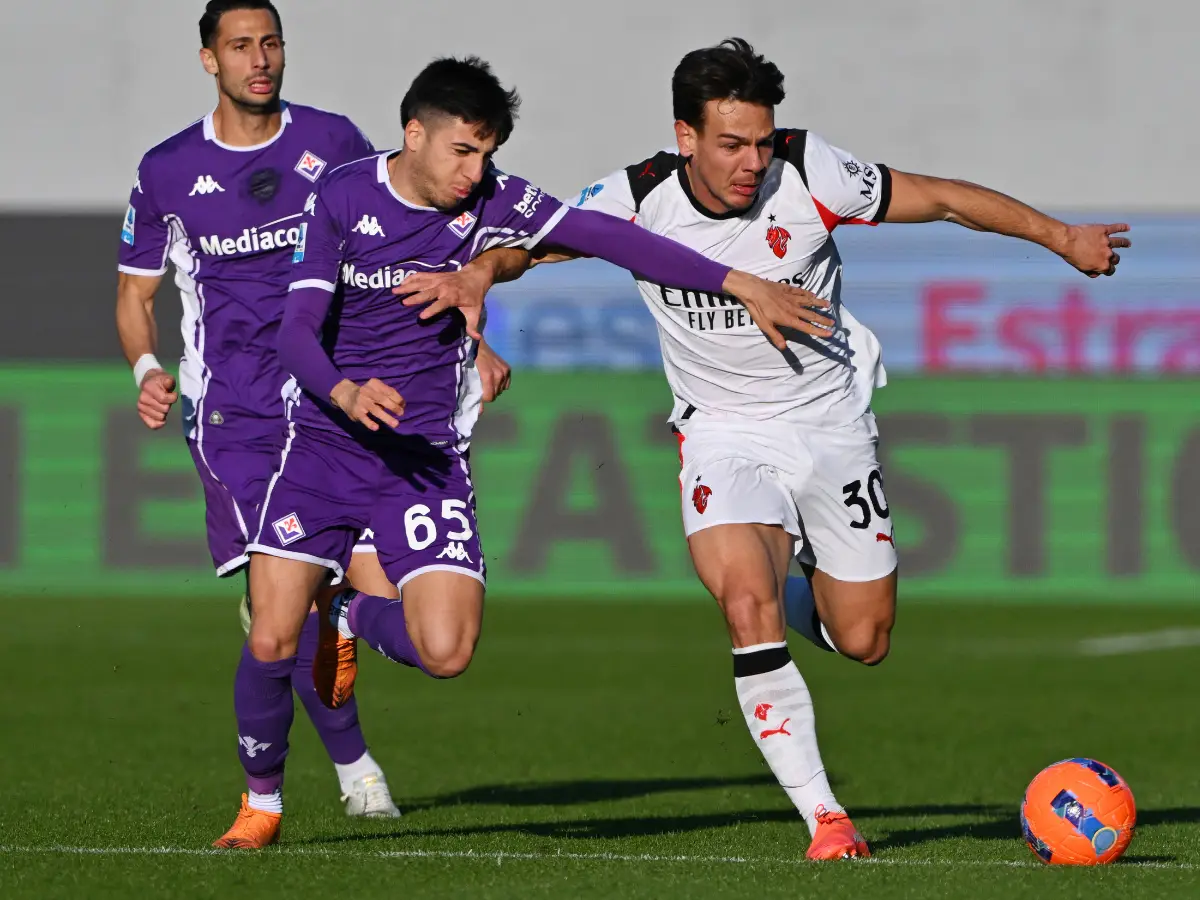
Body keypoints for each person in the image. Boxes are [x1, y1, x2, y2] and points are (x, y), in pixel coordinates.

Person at [403, 38, 1130, 860]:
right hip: (720, 432)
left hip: (830, 426)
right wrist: (478, 279)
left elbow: (943, 200)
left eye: (760, 140)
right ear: (686, 137)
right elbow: (528, 246)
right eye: (730, 144)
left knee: (864, 638)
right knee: (743, 605)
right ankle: (827, 818)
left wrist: (1060, 237)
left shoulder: (811, 172)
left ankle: (792, 588)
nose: (753, 161)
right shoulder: (634, 198)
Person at [225, 53, 835, 850]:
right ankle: (261, 806)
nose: (477, 173)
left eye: (488, 154)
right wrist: (342, 392)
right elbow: (296, 329)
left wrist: (739, 282)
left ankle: (345, 611)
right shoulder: (341, 196)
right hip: (323, 449)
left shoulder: (496, 201)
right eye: (463, 152)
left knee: (447, 652)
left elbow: (619, 241)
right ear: (415, 135)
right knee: (270, 638)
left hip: (423, 458)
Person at [116, 0, 488, 836]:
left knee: (368, 598)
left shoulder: (339, 144)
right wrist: (146, 367)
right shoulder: (167, 169)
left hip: (334, 403)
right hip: (239, 417)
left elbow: (417, 244)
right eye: (241, 46)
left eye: (271, 43)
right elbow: (134, 294)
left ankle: (351, 710)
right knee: (280, 610)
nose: (261, 60)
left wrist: (474, 332)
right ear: (208, 59)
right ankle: (330, 779)